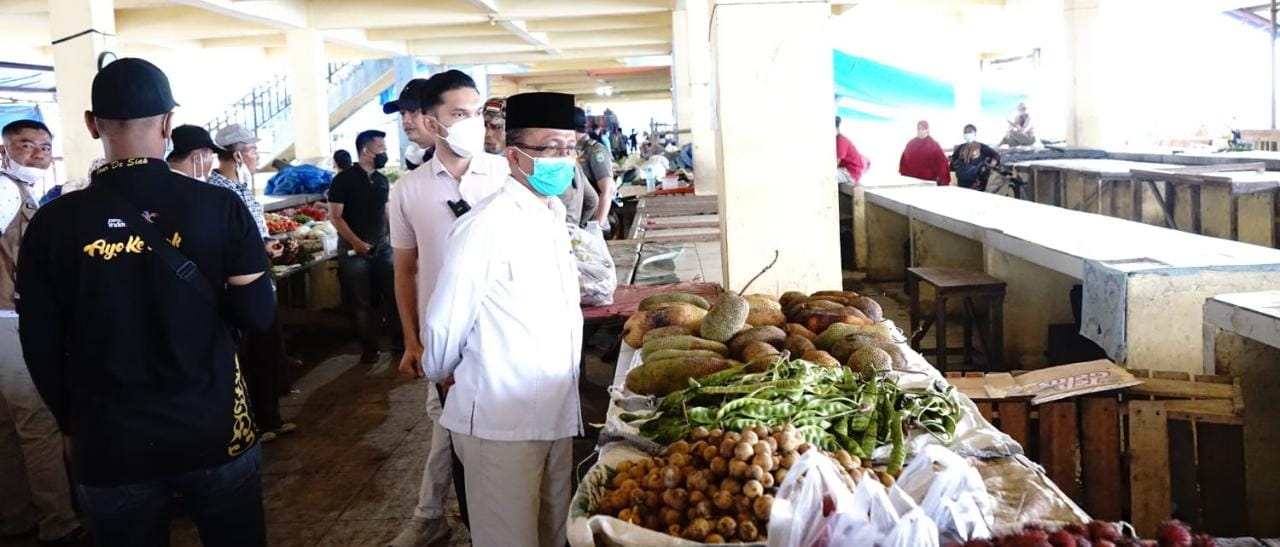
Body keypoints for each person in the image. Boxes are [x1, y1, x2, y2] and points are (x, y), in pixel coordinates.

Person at [18, 57, 273, 547]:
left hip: (109, 441)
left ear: (92, 125)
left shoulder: (52, 222)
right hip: (214, 425)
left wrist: (71, 425)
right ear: (168, 125)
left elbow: (39, 343)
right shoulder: (219, 205)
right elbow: (258, 315)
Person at [422, 91, 582, 547]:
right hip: (500, 423)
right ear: (514, 155)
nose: (563, 159)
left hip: (554, 413)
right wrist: (443, 372)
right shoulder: (485, 226)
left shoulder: (552, 217)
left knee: (553, 534)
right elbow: (443, 324)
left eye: (570, 148)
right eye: (550, 147)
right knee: (508, 539)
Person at [386, 70, 509, 547]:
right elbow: (405, 270)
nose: (471, 124)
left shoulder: (503, 176)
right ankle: (467, 525)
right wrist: (412, 340)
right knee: (454, 434)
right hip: (446, 342)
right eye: (459, 114)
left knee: (499, 438)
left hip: (502, 331)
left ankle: (476, 521)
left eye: (476, 113)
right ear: (431, 122)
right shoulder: (409, 190)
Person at [0, 120, 87, 547]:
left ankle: (16, 516)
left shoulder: (24, 192)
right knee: (37, 421)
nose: (37, 152)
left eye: (44, 146)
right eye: (25, 144)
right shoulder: (4, 189)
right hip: (8, 321)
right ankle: (59, 523)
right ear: (4, 149)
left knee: (8, 423)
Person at [210, 124, 294, 443]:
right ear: (236, 154)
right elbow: (230, 244)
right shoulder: (219, 192)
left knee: (267, 352)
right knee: (249, 356)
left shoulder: (242, 187)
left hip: (261, 282)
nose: (257, 156)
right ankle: (253, 425)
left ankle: (270, 419)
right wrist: (261, 249)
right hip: (243, 288)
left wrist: (268, 244)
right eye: (253, 151)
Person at [329, 129, 400, 364]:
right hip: (353, 252)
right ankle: (369, 350)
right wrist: (357, 243)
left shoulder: (381, 180)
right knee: (361, 302)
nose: (385, 153)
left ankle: (399, 345)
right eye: (381, 148)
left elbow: (386, 211)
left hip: (383, 248)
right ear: (366, 150)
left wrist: (393, 238)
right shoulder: (343, 180)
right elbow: (336, 216)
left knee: (392, 296)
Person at [575, 107, 615, 231]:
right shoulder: (571, 151)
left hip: (592, 221)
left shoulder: (594, 150)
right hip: (578, 221)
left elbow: (607, 190)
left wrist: (596, 227)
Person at [383, 79, 435, 170]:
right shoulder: (415, 160)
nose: (405, 120)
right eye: (402, 113)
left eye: (413, 111)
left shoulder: (455, 159)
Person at [898, 120, 951, 186]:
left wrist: (942, 181)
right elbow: (904, 161)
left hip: (928, 182)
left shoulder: (933, 145)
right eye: (918, 128)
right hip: (911, 181)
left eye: (923, 128)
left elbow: (942, 163)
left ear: (927, 130)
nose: (920, 130)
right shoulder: (911, 144)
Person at [950, 124, 1001, 190]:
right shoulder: (960, 148)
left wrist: (993, 161)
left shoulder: (982, 147)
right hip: (961, 182)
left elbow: (996, 155)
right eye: (965, 132)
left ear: (975, 133)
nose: (967, 133)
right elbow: (953, 160)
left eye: (970, 131)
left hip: (976, 184)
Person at [835, 116, 867, 185]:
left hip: (850, 173)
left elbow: (835, 163)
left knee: (826, 177)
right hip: (843, 170)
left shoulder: (840, 140)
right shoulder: (835, 139)